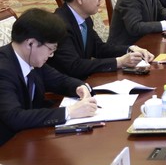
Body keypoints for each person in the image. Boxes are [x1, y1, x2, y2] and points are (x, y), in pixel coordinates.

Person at [0, 8, 97, 145]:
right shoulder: (3, 69)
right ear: (31, 43)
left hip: (31, 136)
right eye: (50, 49)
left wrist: (80, 87)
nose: (51, 55)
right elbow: (14, 117)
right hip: (8, 146)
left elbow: (60, 80)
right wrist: (69, 112)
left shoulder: (31, 59)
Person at [48, 0, 154, 80]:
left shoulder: (85, 18)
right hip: (65, 85)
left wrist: (130, 49)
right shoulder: (60, 26)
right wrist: (119, 62)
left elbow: (99, 48)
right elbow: (74, 66)